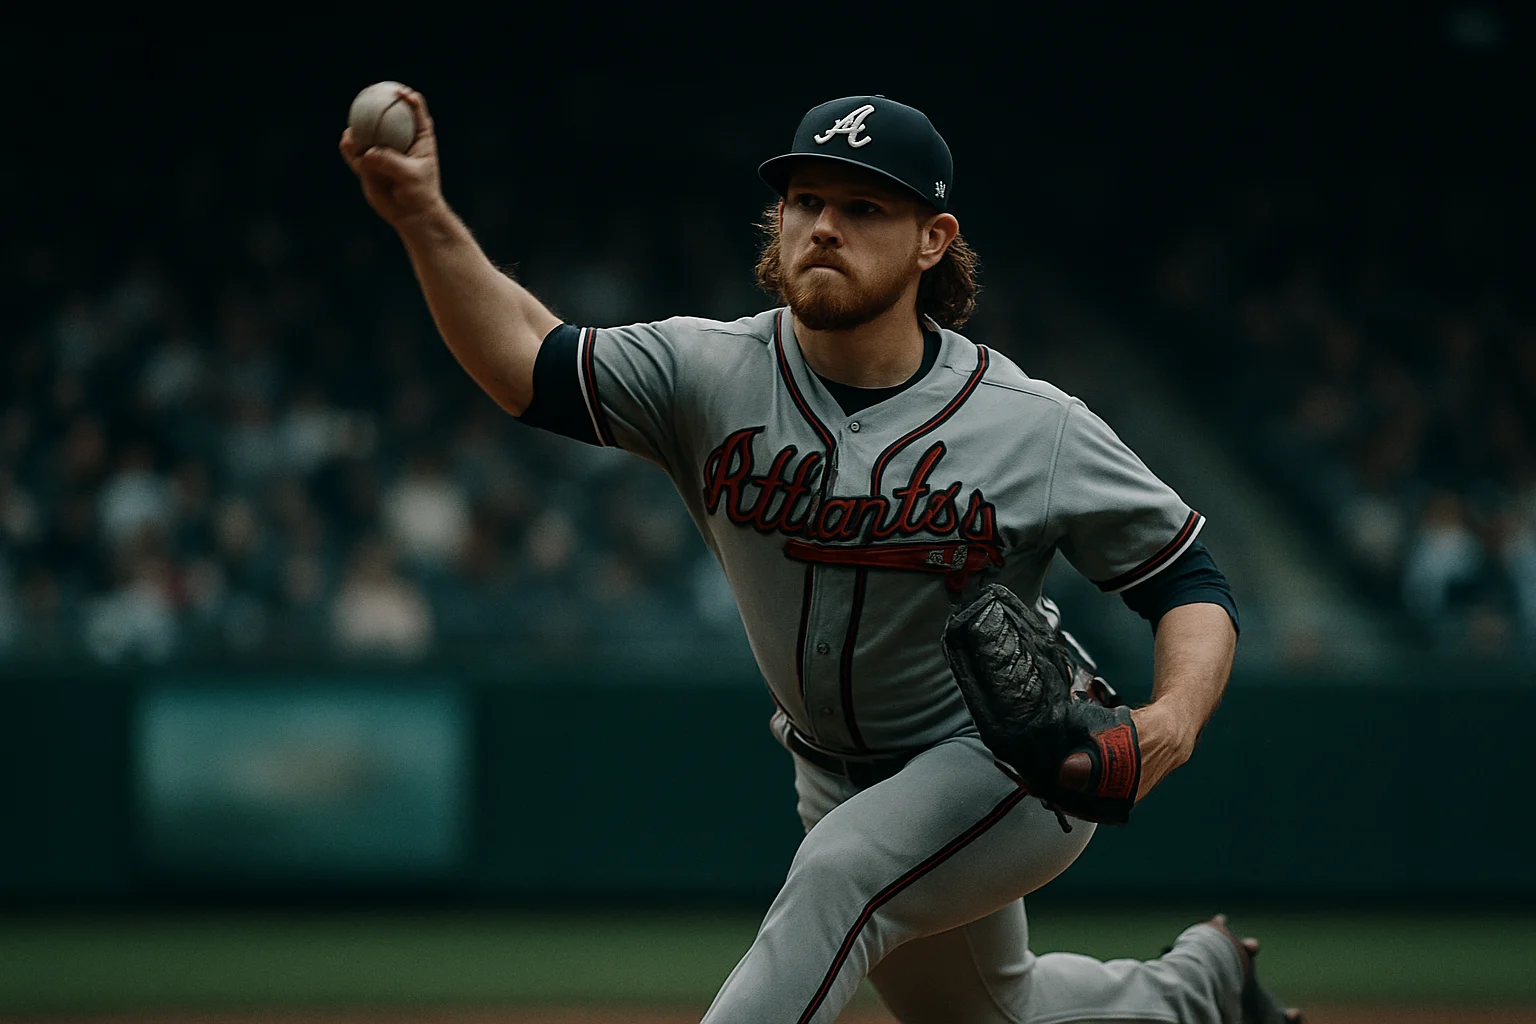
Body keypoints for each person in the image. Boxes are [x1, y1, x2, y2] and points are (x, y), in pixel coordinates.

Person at [340, 89, 1300, 1024]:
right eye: (807, 200)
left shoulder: (1033, 426)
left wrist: (1169, 720)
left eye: (864, 206)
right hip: (830, 771)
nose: (824, 226)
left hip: (1007, 757)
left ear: (933, 239)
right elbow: (526, 358)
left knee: (839, 879)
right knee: (993, 1012)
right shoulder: (707, 371)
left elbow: (1188, 579)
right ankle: (1195, 990)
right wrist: (424, 217)